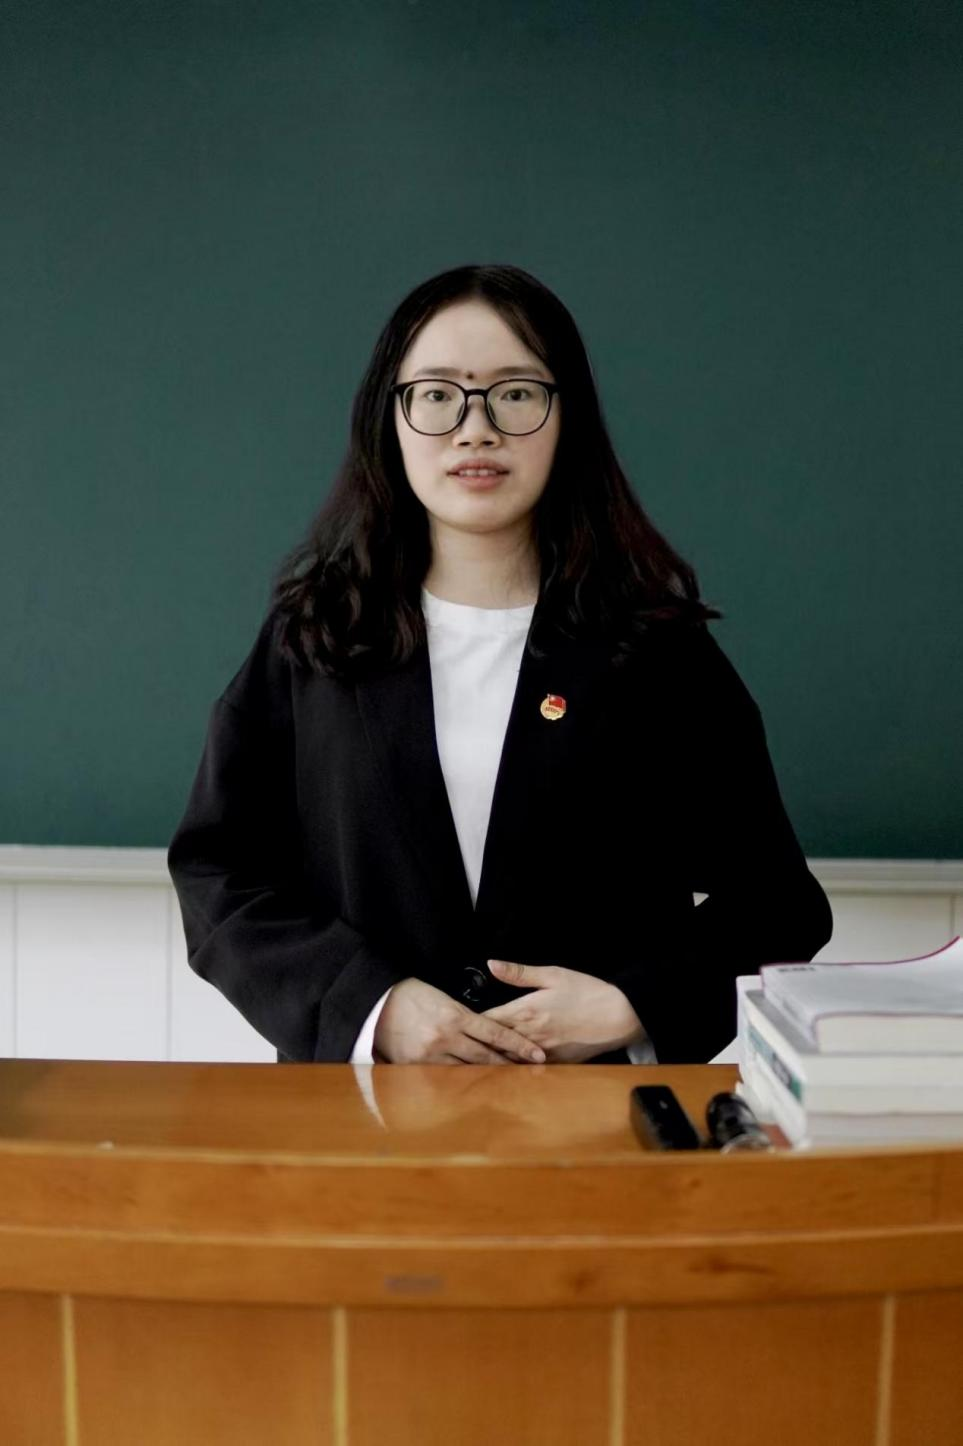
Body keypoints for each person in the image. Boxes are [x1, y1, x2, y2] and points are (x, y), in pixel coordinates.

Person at [167, 263, 832, 1067]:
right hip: (362, 1113)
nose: (474, 429)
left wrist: (632, 1003)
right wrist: (369, 1005)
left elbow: (777, 904)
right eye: (437, 394)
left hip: (591, 1112)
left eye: (515, 393)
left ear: (566, 417)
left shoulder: (654, 650)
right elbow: (218, 872)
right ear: (390, 418)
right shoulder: (318, 637)